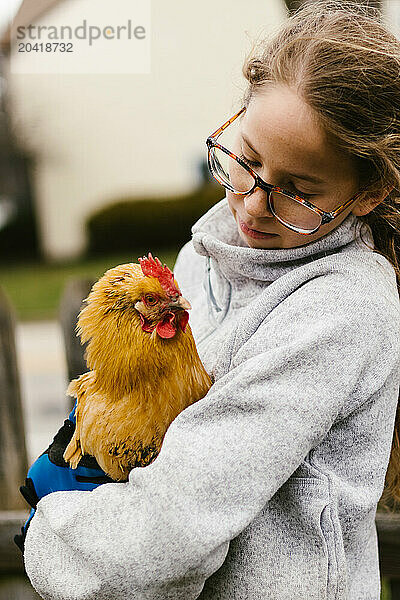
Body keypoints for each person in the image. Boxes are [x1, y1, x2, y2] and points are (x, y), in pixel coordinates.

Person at [22, 1, 400, 598]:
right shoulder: (209, 253)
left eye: (299, 191)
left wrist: (52, 534)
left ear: (368, 193)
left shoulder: (340, 310)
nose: (252, 204)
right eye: (246, 161)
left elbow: (179, 524)